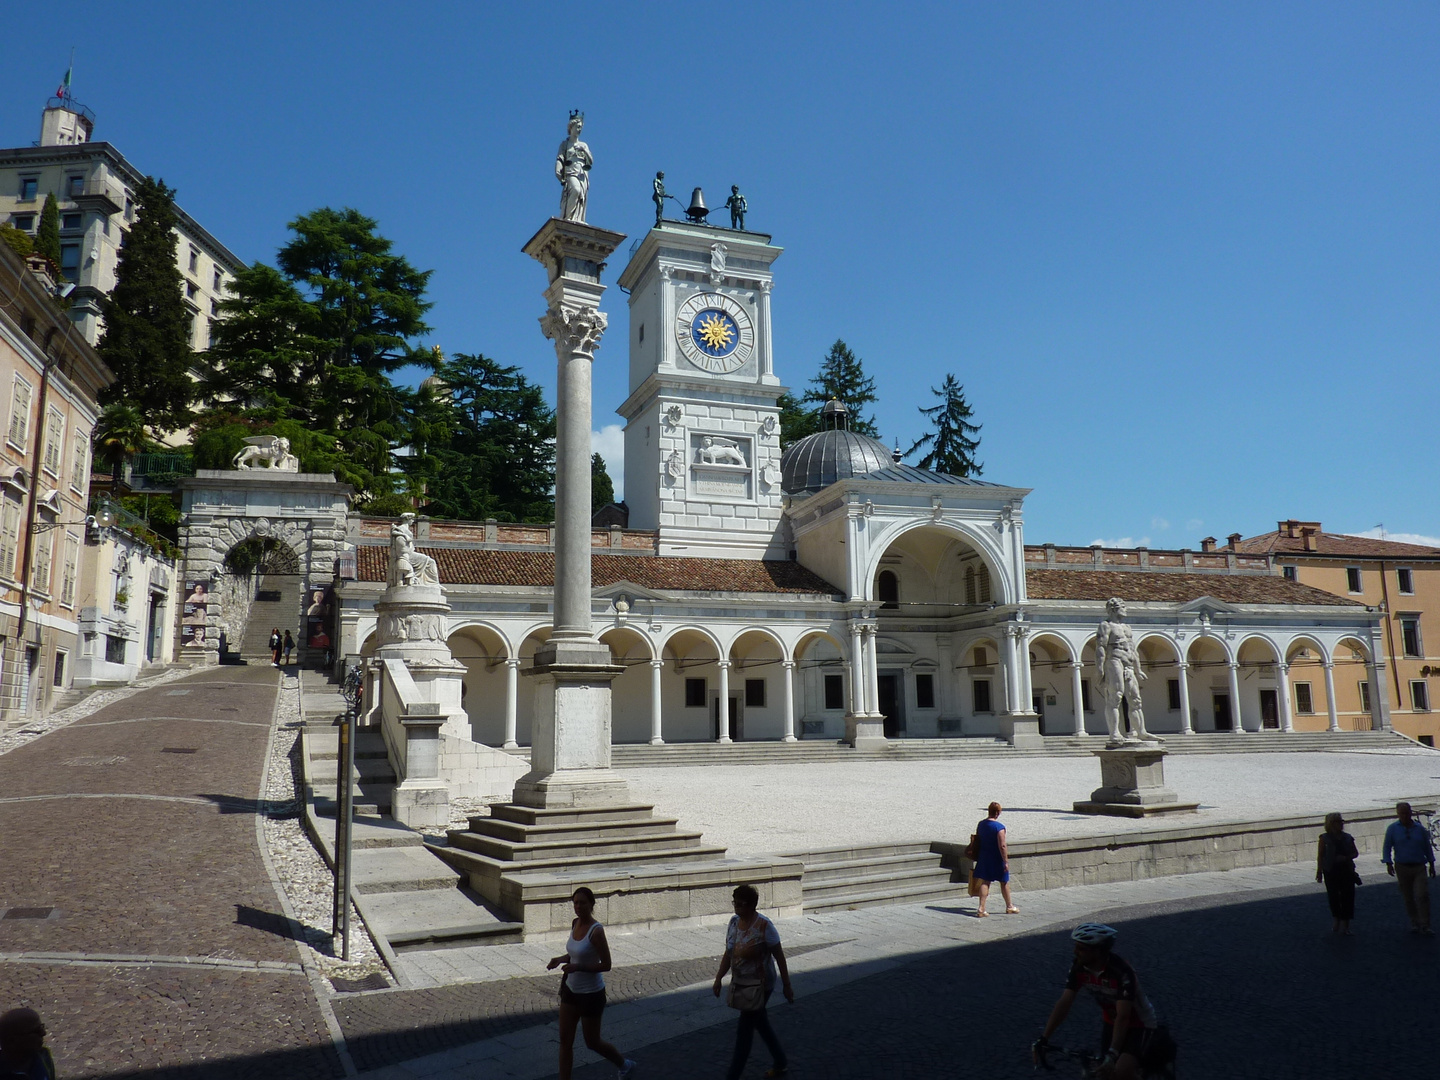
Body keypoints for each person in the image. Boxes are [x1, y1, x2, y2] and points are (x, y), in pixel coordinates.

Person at [1034, 924, 1173, 1080]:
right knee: (1104, 1073)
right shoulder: (1079, 967)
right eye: (1076, 947)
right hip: (1111, 1022)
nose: (1075, 952)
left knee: (1120, 1071)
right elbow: (1064, 1002)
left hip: (1140, 1024)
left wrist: (1113, 1054)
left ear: (1098, 950)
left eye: (1081, 948)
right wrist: (1044, 1038)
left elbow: (1124, 1016)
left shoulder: (1121, 971)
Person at [545, 887, 635, 1079]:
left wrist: (579, 967)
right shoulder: (575, 923)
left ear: (591, 904)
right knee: (564, 1040)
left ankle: (623, 1063)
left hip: (591, 995)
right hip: (570, 990)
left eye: (582, 902)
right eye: (575, 902)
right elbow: (575, 953)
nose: (578, 906)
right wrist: (561, 959)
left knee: (592, 1042)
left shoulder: (596, 931)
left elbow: (606, 965)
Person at [713, 883, 793, 1080]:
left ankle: (732, 1076)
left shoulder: (765, 927)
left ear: (751, 905)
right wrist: (718, 978)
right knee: (761, 1023)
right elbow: (729, 953)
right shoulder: (733, 923)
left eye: (741, 904)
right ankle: (781, 1062)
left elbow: (779, 957)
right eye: (735, 903)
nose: (736, 907)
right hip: (741, 982)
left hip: (760, 985)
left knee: (745, 1030)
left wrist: (787, 986)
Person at [1382, 801, 1436, 935]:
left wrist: (1432, 864)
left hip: (1419, 866)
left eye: (1407, 813)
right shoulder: (1392, 829)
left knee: (1422, 895)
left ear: (1411, 813)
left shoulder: (1419, 829)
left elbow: (1427, 847)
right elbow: (1387, 846)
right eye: (1402, 813)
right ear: (1398, 814)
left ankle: (1425, 923)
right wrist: (1388, 863)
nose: (1405, 816)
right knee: (1408, 897)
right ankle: (1415, 921)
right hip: (1402, 866)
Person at [1316, 811, 1359, 935]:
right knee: (1333, 896)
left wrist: (1345, 858)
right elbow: (1320, 855)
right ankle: (1336, 919)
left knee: (1348, 896)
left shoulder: (1348, 837)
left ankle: (1346, 924)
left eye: (1341, 821)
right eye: (1338, 822)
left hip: (1346, 870)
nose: (1341, 824)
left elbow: (1355, 853)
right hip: (1331, 871)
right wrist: (1319, 871)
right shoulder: (1324, 839)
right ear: (1331, 824)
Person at [973, 801, 1018, 916]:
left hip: (984, 856)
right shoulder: (999, 827)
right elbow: (1002, 846)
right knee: (1004, 882)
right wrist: (1005, 861)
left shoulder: (981, 824)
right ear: (998, 813)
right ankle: (1009, 906)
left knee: (985, 882)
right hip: (997, 858)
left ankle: (981, 908)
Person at [0, 1007, 56, 1080]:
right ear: (12, 1040)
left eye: (42, 1027)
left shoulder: (43, 1057)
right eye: (37, 1031)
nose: (43, 1033)